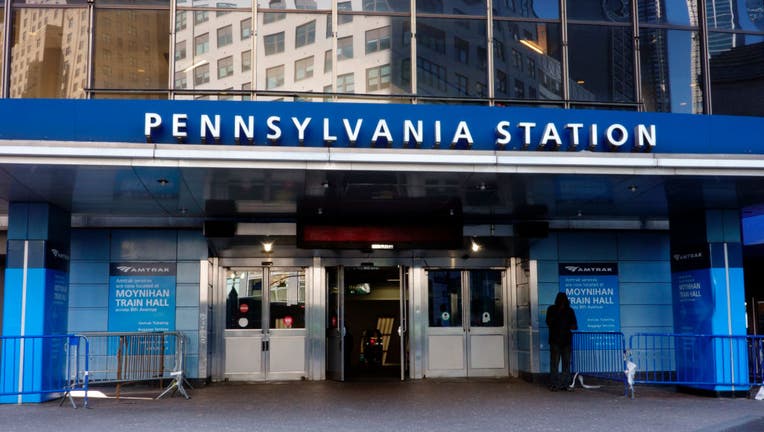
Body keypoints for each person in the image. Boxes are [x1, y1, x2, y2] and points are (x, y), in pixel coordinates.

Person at [546, 291, 577, 391]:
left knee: (556, 363)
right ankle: (563, 384)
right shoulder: (567, 310)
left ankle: (556, 384)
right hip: (562, 341)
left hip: (558, 340)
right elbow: (574, 326)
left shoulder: (552, 309)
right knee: (564, 363)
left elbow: (574, 326)